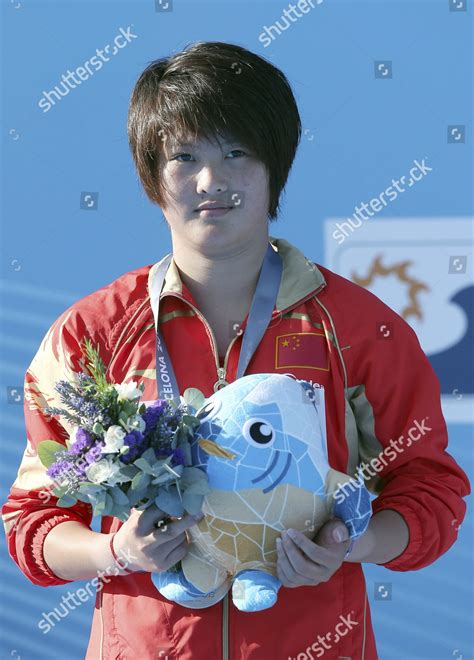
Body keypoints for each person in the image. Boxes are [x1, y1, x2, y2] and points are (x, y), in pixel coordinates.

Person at [2, 41, 470, 660]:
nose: (210, 181)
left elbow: (429, 493)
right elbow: (32, 519)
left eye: (236, 153)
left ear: (274, 166)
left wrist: (347, 543)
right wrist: (115, 552)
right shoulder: (91, 332)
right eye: (183, 156)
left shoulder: (361, 328)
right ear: (150, 177)